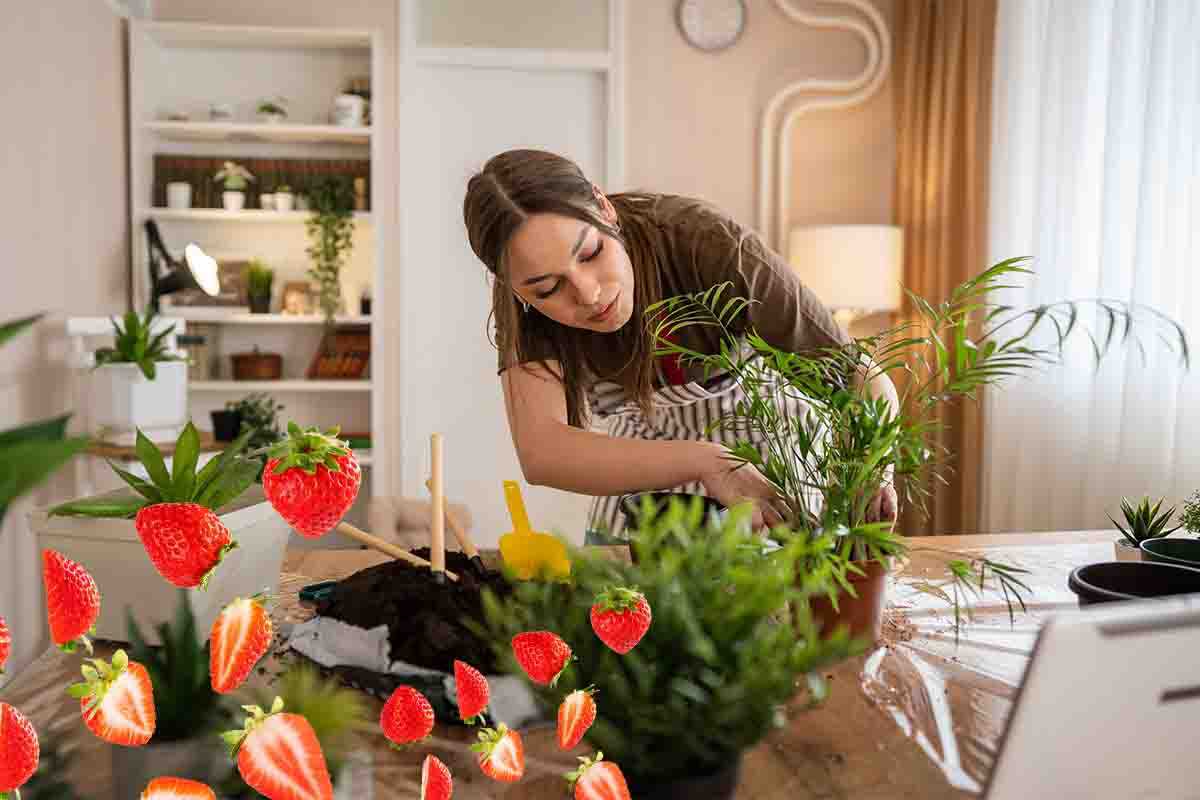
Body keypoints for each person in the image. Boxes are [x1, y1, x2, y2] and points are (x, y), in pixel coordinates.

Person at [463, 149, 898, 543]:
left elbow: (859, 378)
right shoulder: (519, 304)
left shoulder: (703, 241)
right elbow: (543, 452)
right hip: (646, 467)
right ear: (513, 286)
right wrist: (706, 461)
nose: (589, 294)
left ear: (604, 207)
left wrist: (874, 468)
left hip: (768, 454)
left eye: (592, 253)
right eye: (548, 288)